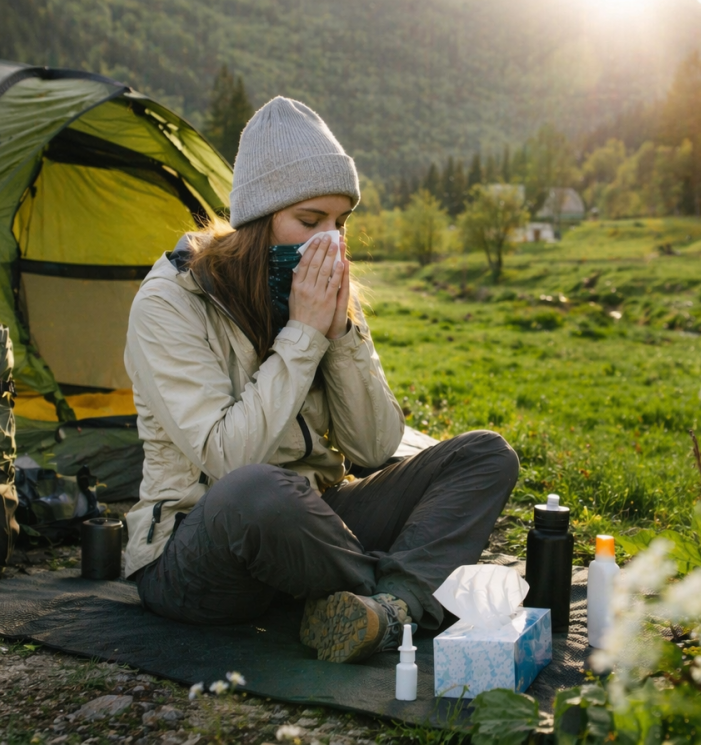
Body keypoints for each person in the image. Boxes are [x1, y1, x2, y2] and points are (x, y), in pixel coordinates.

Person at [122, 96, 519, 663]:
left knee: (485, 455)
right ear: (259, 222)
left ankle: (390, 608)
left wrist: (341, 335)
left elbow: (374, 447)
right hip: (201, 549)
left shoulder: (314, 290)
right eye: (310, 222)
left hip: (314, 525)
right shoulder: (169, 302)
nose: (329, 240)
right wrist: (303, 335)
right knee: (257, 490)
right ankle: (406, 589)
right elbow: (228, 462)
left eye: (340, 223)